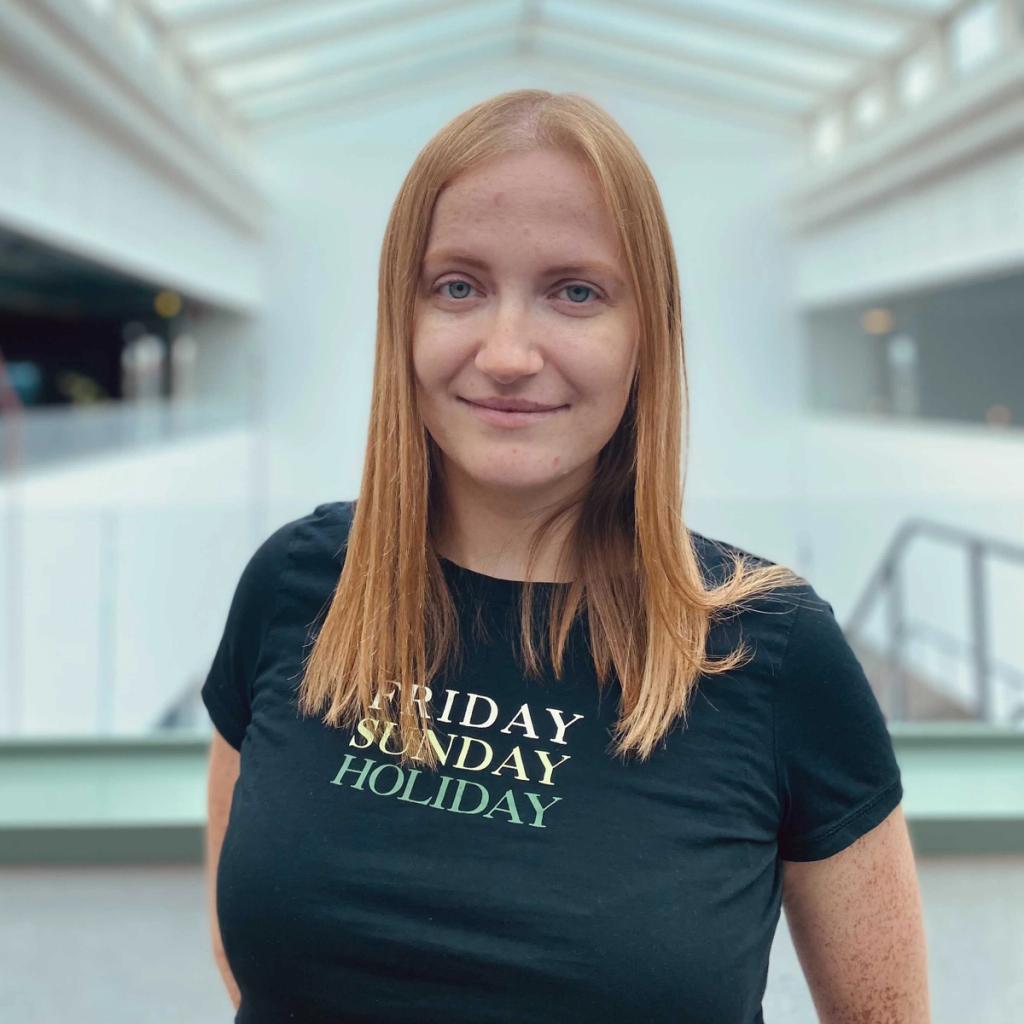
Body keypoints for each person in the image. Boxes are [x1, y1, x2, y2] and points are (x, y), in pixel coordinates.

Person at [203, 89, 931, 1023]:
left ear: (645, 335)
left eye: (575, 292)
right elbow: (252, 963)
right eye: (458, 287)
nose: (508, 354)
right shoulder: (296, 587)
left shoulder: (772, 651)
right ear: (402, 319)